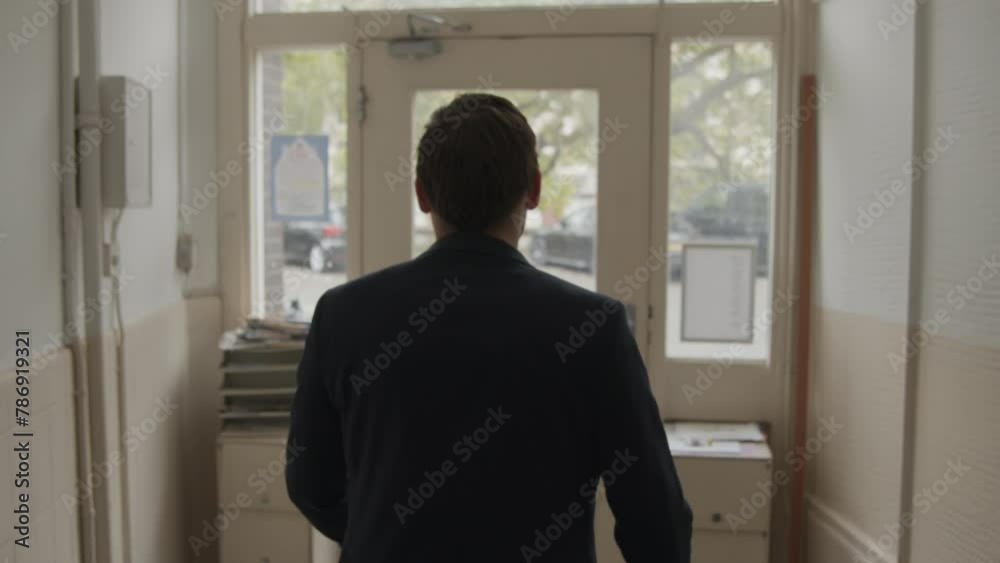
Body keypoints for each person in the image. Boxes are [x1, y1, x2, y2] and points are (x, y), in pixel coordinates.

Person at [286, 93, 692, 563]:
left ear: (421, 194)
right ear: (533, 189)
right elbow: (655, 516)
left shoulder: (343, 315)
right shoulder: (592, 327)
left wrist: (380, 533)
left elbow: (310, 482)